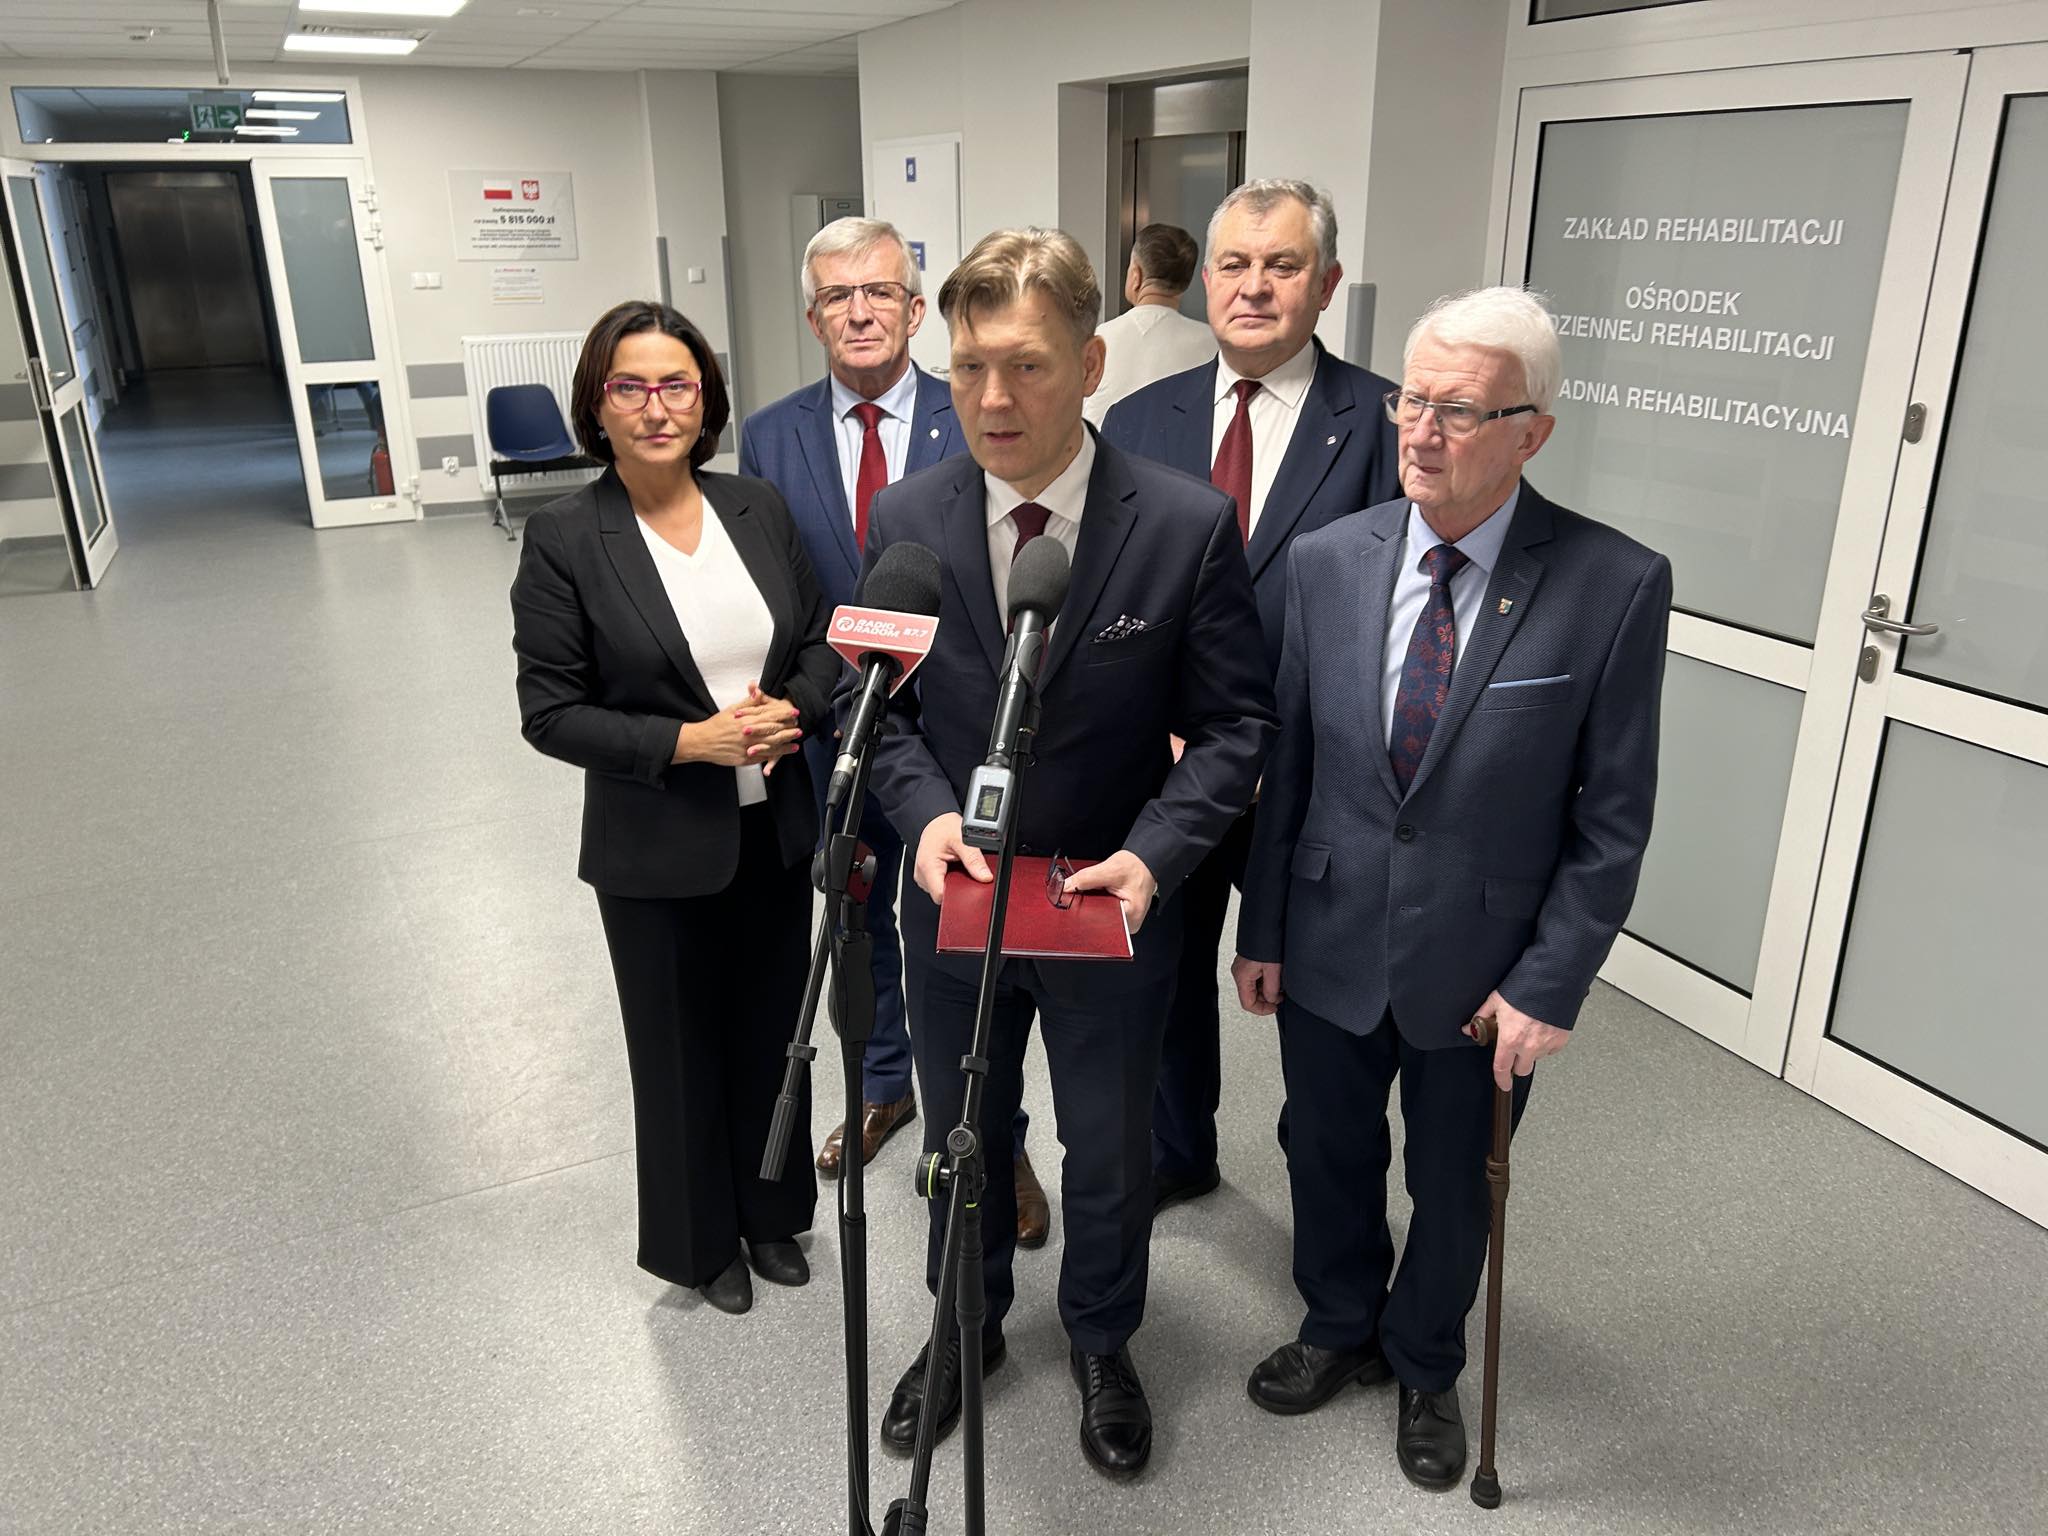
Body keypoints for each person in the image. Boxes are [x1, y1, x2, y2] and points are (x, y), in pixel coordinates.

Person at [1232, 286, 1672, 1490]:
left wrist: (1550, 985)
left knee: (1451, 1182)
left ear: (1531, 432)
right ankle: (1337, 1322)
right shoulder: (1329, 561)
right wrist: (1260, 928)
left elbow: (1611, 819)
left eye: (1459, 411)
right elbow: (1290, 765)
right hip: (1326, 931)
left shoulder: (1611, 582)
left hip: (1483, 969)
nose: (1419, 433)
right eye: (1408, 402)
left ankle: (1424, 1358)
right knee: (1320, 1149)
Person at [858, 228, 1275, 1476]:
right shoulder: (906, 517)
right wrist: (922, 815)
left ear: (1089, 365)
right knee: (958, 1137)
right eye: (968, 366)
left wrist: (1155, 853)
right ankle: (964, 1324)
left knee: (1105, 1151)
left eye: (1027, 365)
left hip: (1107, 905)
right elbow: (872, 710)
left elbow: (1235, 726)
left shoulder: (1184, 525)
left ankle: (1101, 1337)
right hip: (957, 902)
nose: (992, 397)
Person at [510, 300, 842, 1317]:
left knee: (773, 1032)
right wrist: (688, 744)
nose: (656, 408)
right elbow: (549, 712)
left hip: (772, 829)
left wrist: (795, 709)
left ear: (706, 402)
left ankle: (772, 1213)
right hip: (655, 844)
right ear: (596, 405)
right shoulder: (566, 537)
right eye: (631, 387)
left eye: (677, 385)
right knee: (677, 1048)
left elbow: (820, 641)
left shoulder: (755, 509)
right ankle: (699, 1245)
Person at [738, 218, 1050, 1249]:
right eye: (837, 296)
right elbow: (779, 591)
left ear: (917, 310)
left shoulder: (977, 409)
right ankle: (883, 1088)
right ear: (812, 316)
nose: (859, 311)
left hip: (955, 737)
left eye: (879, 291)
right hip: (833, 729)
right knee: (855, 920)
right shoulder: (771, 434)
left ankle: (996, 1140)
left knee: (972, 948)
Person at [1100, 178, 1402, 1214]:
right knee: (1165, 975)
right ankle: (1178, 1150)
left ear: (1326, 283)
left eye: (1281, 265)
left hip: (1312, 780)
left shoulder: (1383, 425)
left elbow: (1395, 619)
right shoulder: (1141, 419)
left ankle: (1330, 1235)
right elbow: (1113, 587)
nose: (1253, 286)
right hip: (1171, 771)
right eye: (1233, 264)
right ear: (1206, 280)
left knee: (1315, 1011)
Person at [1081, 222, 1215, 425]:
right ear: (1186, 283)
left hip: (1104, 445)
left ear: (1136, 275)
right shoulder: (1213, 344)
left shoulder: (1100, 339)